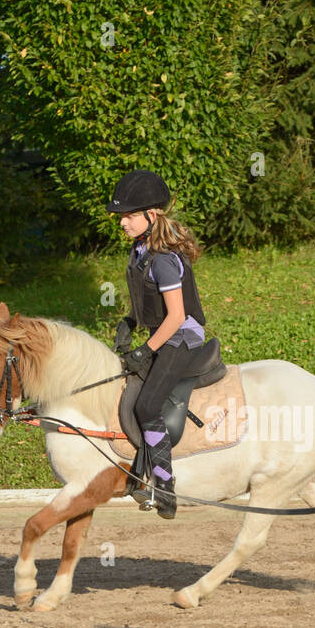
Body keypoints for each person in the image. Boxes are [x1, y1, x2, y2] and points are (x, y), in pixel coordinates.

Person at [106, 170, 209, 520]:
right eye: (121, 216)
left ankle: (165, 486)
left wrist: (146, 349)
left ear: (152, 216)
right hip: (161, 330)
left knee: (148, 405)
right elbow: (147, 304)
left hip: (181, 336)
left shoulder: (164, 259)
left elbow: (177, 316)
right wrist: (129, 322)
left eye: (129, 215)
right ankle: (140, 470)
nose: (123, 222)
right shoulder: (139, 251)